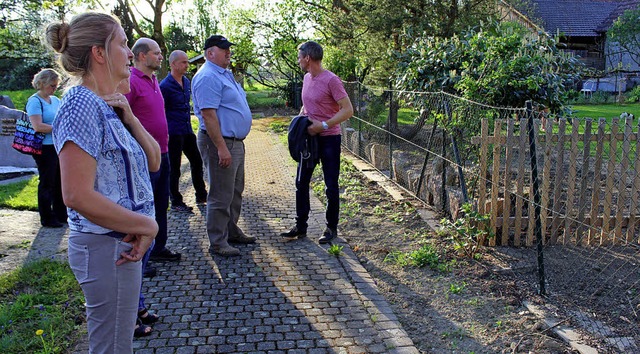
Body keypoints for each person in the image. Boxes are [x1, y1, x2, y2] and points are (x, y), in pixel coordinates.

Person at [45, 12, 160, 353]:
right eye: (123, 44)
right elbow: (76, 194)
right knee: (111, 347)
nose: (129, 53)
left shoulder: (105, 105)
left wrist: (130, 115)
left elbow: (153, 160)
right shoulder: (80, 104)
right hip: (106, 247)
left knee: (116, 343)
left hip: (118, 244)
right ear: (99, 53)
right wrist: (147, 224)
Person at [280, 41, 353, 244]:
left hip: (329, 139)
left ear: (307, 58)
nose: (298, 60)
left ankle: (331, 228)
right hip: (309, 139)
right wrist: (301, 120)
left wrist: (323, 125)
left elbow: (348, 110)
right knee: (301, 182)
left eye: (299, 57)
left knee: (330, 185)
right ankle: (300, 226)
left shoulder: (331, 80)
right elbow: (307, 103)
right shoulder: (306, 78)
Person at [192, 35, 255, 256]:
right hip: (219, 142)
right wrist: (221, 147)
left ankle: (231, 231)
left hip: (234, 142)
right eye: (223, 49)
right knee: (220, 194)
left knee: (235, 191)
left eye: (229, 48)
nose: (228, 52)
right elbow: (208, 115)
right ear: (210, 53)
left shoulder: (223, 74)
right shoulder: (208, 76)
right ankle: (218, 242)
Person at [125, 38, 182, 263]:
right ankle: (141, 256)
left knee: (160, 203)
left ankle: (158, 248)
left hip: (163, 152)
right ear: (142, 56)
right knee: (142, 206)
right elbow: (123, 117)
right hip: (143, 155)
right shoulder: (131, 81)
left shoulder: (154, 79)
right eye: (156, 53)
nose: (160, 57)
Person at [160, 50, 208, 213]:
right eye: (183, 62)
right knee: (174, 168)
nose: (187, 65)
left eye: (187, 62)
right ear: (173, 64)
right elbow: (160, 110)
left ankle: (201, 195)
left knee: (197, 161)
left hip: (187, 130)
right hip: (173, 132)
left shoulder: (187, 82)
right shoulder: (165, 86)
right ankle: (175, 201)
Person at [26, 68, 67, 228]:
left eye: (56, 86)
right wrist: (59, 127)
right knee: (47, 182)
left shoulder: (55, 100)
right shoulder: (35, 101)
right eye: (52, 85)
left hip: (56, 145)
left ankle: (60, 214)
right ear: (42, 84)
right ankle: (46, 217)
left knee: (59, 181)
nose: (54, 88)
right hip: (43, 147)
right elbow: (38, 126)